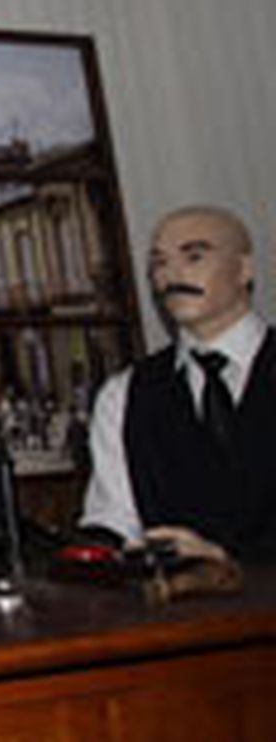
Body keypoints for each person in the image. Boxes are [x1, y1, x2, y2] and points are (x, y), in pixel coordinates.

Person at [81, 204, 276, 562]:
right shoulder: (124, 395)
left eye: (194, 256)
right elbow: (114, 519)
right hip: (177, 600)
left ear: (244, 269)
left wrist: (223, 557)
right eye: (159, 264)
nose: (172, 276)